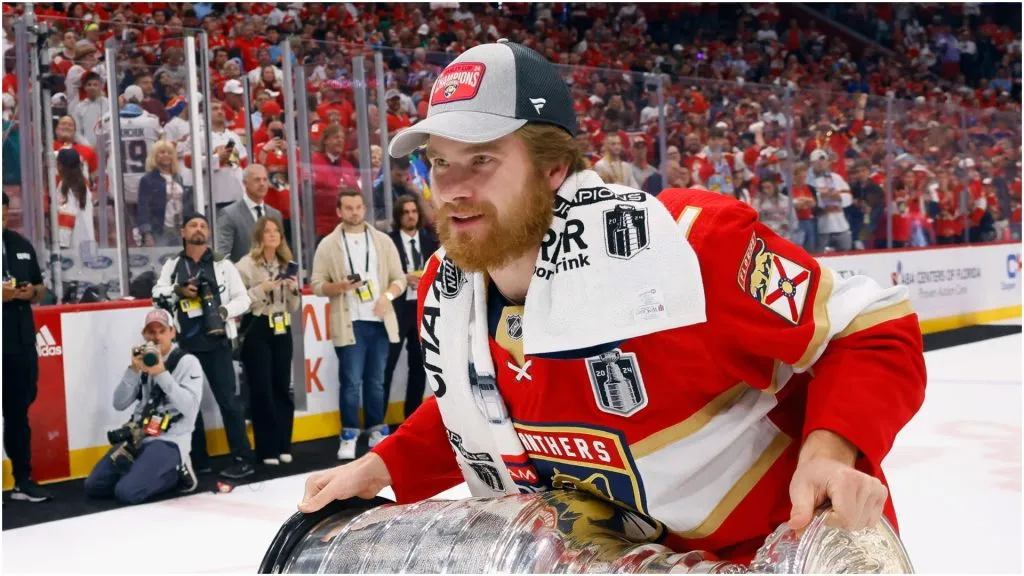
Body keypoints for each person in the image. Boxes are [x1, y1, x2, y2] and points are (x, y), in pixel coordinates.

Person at [298, 41, 926, 564]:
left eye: (482, 160)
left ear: (552, 167)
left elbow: (870, 328)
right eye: (440, 164)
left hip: (786, 552)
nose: (453, 190)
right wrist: (382, 467)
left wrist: (829, 450)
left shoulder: (685, 245)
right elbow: (481, 409)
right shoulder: (450, 282)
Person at [152, 212, 255, 479]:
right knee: (188, 405)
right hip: (185, 345)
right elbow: (155, 294)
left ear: (208, 233)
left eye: (203, 226)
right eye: (193, 225)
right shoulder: (173, 265)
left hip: (217, 341)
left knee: (229, 403)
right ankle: (198, 460)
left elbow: (244, 300)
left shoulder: (223, 264)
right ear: (183, 232)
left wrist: (222, 311)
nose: (199, 229)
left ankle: (243, 458)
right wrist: (179, 291)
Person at [310, 189, 406, 461]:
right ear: (339, 211)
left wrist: (387, 297)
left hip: (379, 321)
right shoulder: (328, 244)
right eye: (349, 207)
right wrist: (339, 286)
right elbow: (317, 284)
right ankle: (349, 433)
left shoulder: (382, 241)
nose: (354, 212)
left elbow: (398, 278)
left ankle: (377, 429)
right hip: (349, 322)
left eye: (359, 207)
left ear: (365, 209)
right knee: (350, 382)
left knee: (376, 382)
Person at [83, 309, 202, 504]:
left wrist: (161, 374)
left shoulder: (187, 362)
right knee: (94, 485)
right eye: (151, 332)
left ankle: (177, 472)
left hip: (169, 439)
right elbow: (119, 403)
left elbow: (190, 409)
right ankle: (144, 470)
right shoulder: (143, 360)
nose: (156, 337)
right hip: (138, 436)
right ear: (144, 334)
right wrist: (133, 370)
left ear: (173, 332)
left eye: (162, 331)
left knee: (126, 492)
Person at [235, 216, 300, 466]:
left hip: (281, 326)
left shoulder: (288, 264)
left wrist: (293, 289)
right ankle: (266, 448)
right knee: (261, 389)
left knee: (282, 387)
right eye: (268, 231)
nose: (273, 235)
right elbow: (239, 301)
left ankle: (284, 443)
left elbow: (294, 305)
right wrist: (261, 288)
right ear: (259, 236)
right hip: (257, 326)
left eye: (277, 231)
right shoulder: (246, 265)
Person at [2, 192, 53, 502]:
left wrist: (31, 291)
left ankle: (22, 479)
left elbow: (40, 287)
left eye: (4, 214)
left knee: (18, 413)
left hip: (19, 343)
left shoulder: (20, 244)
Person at [383, 194, 438, 420]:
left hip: (421, 310)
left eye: (414, 211)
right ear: (399, 216)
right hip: (397, 309)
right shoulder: (389, 241)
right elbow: (381, 272)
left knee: (418, 367)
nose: (410, 216)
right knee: (387, 367)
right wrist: (402, 278)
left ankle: (411, 418)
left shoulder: (429, 242)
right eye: (405, 212)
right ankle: (378, 421)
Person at [216, 164, 282, 262]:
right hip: (242, 275)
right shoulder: (229, 214)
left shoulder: (275, 214)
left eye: (265, 179)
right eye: (257, 180)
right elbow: (223, 254)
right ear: (245, 183)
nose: (262, 184)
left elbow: (281, 250)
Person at [137, 140, 189, 247]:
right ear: (154, 156)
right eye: (162, 152)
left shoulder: (178, 178)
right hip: (159, 231)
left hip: (179, 230)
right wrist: (147, 234)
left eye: (169, 153)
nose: (166, 155)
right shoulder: (147, 180)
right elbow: (143, 208)